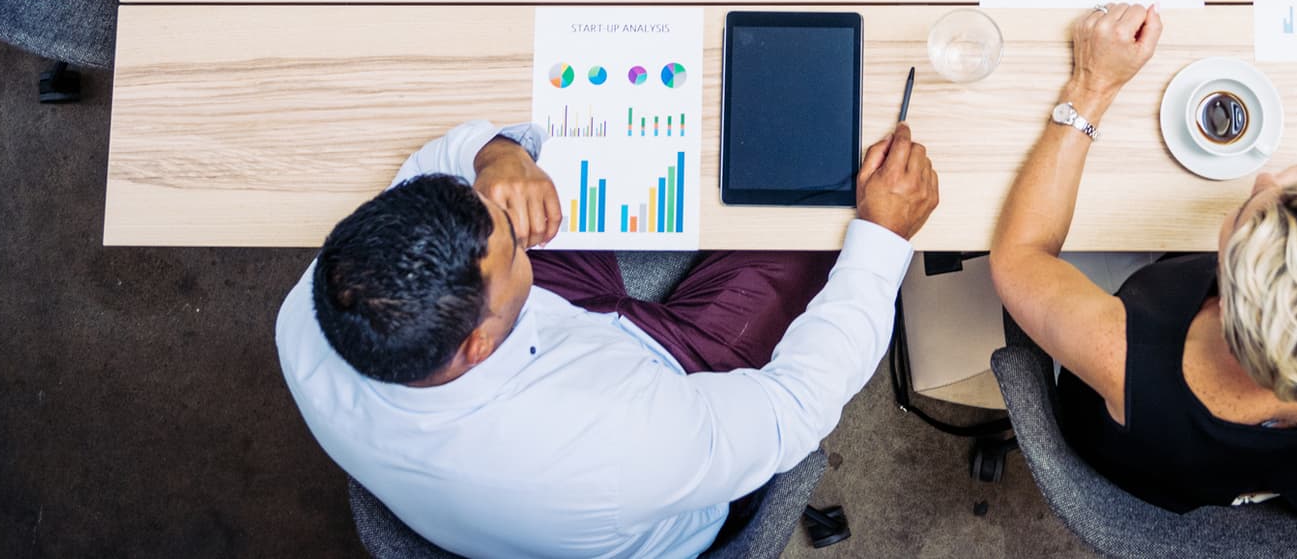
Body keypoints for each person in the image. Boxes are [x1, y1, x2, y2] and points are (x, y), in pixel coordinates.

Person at [277, 117, 938, 559]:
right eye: (514, 246)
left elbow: (426, 174)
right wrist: (883, 238)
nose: (516, 221)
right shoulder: (616, 445)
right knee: (816, 219)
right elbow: (794, 405)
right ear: (477, 342)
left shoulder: (319, 305)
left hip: (561, 351)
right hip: (655, 415)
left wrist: (495, 155)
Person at [988, 4, 1297, 518]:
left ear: (1224, 297)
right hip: (1296, 467)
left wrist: (1092, 88)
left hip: (1139, 455)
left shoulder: (1122, 356)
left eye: (1251, 216)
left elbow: (1019, 256)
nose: (1269, 178)